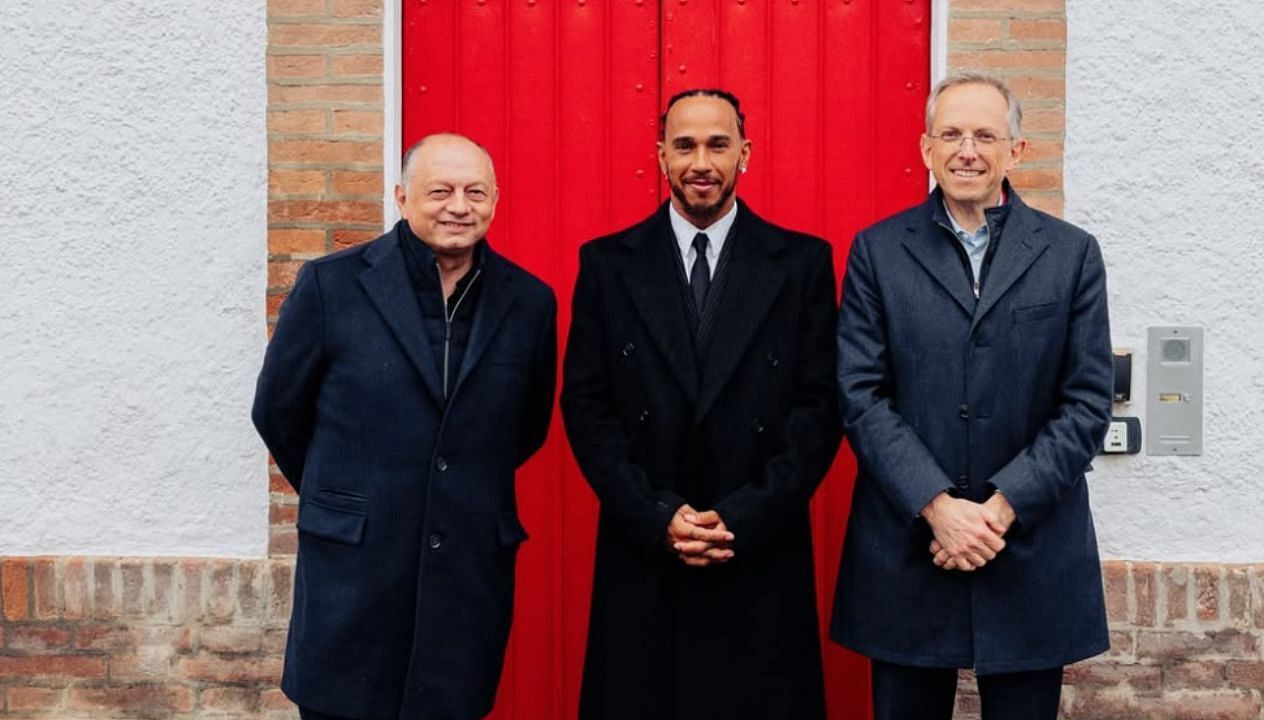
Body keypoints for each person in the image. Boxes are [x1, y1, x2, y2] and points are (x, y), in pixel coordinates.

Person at [830, 71, 1113, 719]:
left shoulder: (1071, 256)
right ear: (926, 147)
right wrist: (939, 509)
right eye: (951, 134)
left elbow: (1087, 401)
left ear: (1016, 151)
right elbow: (860, 394)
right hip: (910, 546)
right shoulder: (878, 253)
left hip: (1029, 551)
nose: (967, 150)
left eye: (986, 135)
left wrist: (997, 512)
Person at [252, 133, 557, 720]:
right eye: (439, 191)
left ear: (496, 200)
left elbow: (526, 427)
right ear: (401, 196)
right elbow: (278, 411)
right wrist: (344, 496)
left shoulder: (529, 302)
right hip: (354, 576)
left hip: (466, 577)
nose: (458, 206)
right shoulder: (331, 287)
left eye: (475, 192)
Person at [561, 88, 841, 720]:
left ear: (746, 152)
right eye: (684, 145)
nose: (701, 162)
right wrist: (658, 515)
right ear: (660, 156)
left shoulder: (800, 263)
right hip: (647, 547)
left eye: (718, 144)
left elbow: (820, 407)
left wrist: (743, 515)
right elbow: (586, 404)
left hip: (758, 547)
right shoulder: (607, 264)